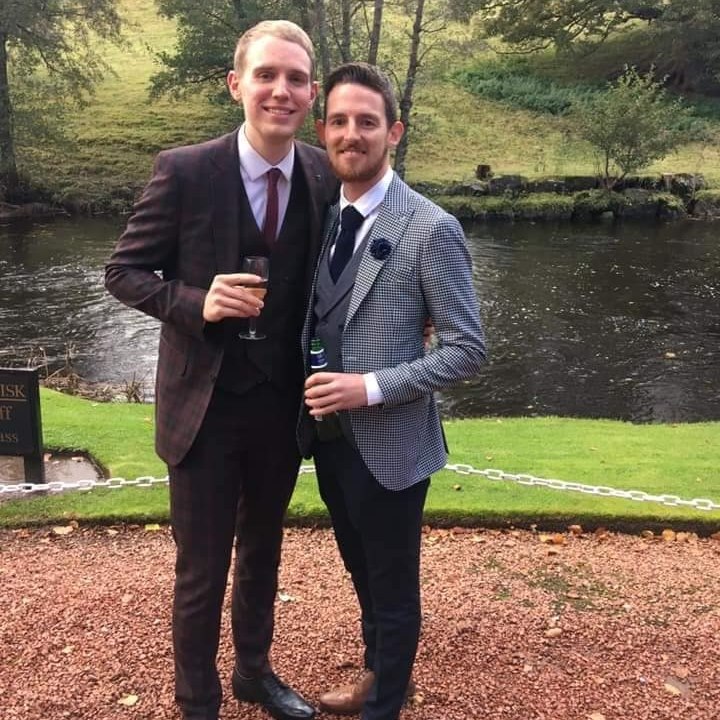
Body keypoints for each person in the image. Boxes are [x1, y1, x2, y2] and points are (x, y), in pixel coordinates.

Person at [105, 20, 337, 720]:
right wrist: (194, 302)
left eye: (295, 79)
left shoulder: (324, 173)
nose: (281, 90)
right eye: (266, 75)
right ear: (237, 85)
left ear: (312, 94)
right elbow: (123, 272)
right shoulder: (184, 171)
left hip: (280, 405)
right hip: (202, 409)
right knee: (202, 570)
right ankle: (197, 701)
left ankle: (253, 674)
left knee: (263, 553)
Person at [299, 62, 487, 720]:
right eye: (339, 121)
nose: (352, 134)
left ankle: (384, 704)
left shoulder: (431, 228)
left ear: (394, 132)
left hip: (392, 444)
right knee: (360, 568)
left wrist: (371, 388)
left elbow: (468, 349)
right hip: (327, 439)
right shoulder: (327, 215)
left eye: (367, 122)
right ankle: (381, 673)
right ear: (323, 131)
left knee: (394, 584)